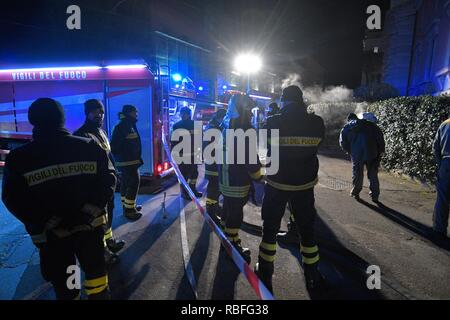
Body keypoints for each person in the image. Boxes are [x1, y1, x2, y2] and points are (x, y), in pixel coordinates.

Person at [2, 98, 116, 300]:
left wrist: (45, 219)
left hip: (52, 236)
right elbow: (109, 181)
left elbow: (13, 199)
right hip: (88, 229)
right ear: (62, 119)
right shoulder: (89, 147)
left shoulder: (19, 159)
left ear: (32, 120)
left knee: (67, 282)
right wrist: (90, 210)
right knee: (95, 275)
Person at [255, 85, 325, 294]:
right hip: (304, 186)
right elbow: (317, 145)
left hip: (277, 185)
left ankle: (265, 270)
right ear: (301, 100)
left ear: (284, 101)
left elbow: (265, 145)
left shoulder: (273, 122)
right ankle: (312, 275)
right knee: (307, 231)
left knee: (270, 228)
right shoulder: (317, 123)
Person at [73, 99, 126, 262]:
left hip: (106, 185)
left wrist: (116, 173)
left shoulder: (100, 132)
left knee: (108, 214)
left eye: (101, 112)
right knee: (97, 220)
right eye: (95, 112)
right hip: (94, 188)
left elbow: (108, 156)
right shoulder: (82, 135)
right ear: (87, 114)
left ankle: (109, 240)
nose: (99, 115)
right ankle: (102, 251)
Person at [218, 94, 262, 263]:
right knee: (236, 213)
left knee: (229, 208)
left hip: (226, 177)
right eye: (250, 109)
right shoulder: (245, 128)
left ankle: (227, 239)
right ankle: (231, 246)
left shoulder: (227, 125)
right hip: (237, 179)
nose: (251, 113)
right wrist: (258, 176)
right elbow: (250, 157)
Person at [339, 112, 385, 202]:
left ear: (349, 120)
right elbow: (380, 140)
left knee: (357, 174)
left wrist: (350, 151)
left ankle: (356, 192)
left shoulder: (347, 127)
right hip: (372, 153)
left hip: (356, 154)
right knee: (372, 174)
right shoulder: (372, 125)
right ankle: (375, 195)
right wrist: (380, 151)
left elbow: (342, 142)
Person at [111, 105, 143, 221]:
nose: (137, 114)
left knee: (126, 184)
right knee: (134, 183)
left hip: (128, 162)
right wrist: (125, 155)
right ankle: (129, 211)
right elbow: (115, 145)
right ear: (129, 113)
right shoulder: (124, 126)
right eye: (135, 112)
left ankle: (128, 206)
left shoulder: (128, 124)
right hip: (128, 162)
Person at [172, 107, 203, 200]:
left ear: (189, 114)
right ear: (181, 114)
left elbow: (200, 138)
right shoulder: (177, 126)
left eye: (185, 113)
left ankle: (193, 190)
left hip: (194, 154)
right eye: (182, 113)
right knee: (184, 175)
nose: (184, 115)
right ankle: (184, 193)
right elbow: (174, 141)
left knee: (194, 174)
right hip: (183, 155)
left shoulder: (196, 125)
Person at [203, 109, 227, 226]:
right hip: (213, 165)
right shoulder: (214, 129)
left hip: (215, 163)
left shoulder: (214, 126)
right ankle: (211, 212)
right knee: (213, 189)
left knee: (216, 189)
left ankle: (215, 207)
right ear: (220, 118)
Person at [432, 118, 450, 240]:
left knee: (442, 198)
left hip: (446, 163)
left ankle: (439, 228)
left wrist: (441, 164)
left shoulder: (444, 124)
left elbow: (435, 147)